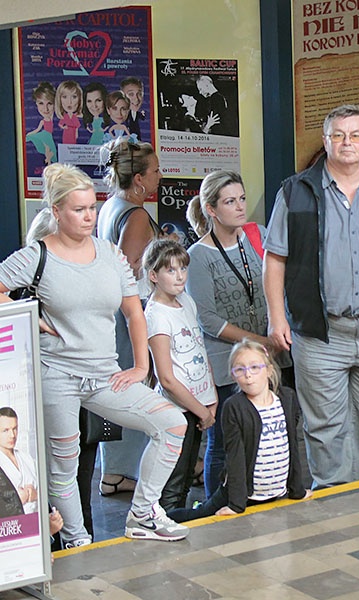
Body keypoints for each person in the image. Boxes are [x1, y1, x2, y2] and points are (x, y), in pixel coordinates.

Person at [0, 163, 189, 545]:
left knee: (172, 424)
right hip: (57, 376)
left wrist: (140, 366)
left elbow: (134, 311)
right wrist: (29, 317)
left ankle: (142, 516)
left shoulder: (109, 255)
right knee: (64, 467)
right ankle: (76, 540)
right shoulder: (36, 256)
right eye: (78, 209)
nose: (88, 216)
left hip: (105, 373)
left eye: (92, 208)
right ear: (56, 212)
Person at [264, 104, 359, 488]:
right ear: (325, 141)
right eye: (338, 135)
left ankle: (357, 491)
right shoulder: (296, 191)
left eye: (355, 135)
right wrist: (276, 316)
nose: (346, 142)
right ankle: (335, 500)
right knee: (325, 427)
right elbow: (275, 258)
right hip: (321, 333)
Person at [187, 170, 279, 497]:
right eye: (230, 201)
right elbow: (207, 319)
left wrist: (275, 334)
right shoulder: (198, 256)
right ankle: (217, 502)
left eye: (241, 199)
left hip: (269, 354)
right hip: (228, 360)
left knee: (270, 430)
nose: (240, 207)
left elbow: (275, 283)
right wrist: (257, 342)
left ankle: (261, 491)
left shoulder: (257, 235)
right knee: (224, 440)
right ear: (211, 209)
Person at [168, 340, 309, 522]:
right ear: (233, 376)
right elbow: (235, 457)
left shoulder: (287, 398)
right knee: (199, 516)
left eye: (254, 368)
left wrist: (297, 489)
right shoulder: (234, 407)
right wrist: (236, 504)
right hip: (240, 494)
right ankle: (158, 518)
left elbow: (291, 447)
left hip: (273, 492)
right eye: (240, 370)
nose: (248, 375)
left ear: (269, 370)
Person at [95, 137, 164, 500]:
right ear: (138, 179)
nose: (159, 176)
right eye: (154, 171)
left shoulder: (110, 206)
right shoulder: (135, 215)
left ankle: (114, 472)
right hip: (130, 315)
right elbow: (129, 270)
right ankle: (121, 471)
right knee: (134, 389)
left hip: (114, 317)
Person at [142, 240, 217, 512]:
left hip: (199, 404)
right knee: (173, 481)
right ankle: (166, 523)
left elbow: (199, 347)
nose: (180, 276)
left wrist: (211, 397)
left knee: (186, 477)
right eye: (171, 270)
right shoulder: (155, 315)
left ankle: (181, 521)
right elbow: (168, 379)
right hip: (179, 410)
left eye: (183, 268)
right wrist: (201, 411)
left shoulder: (185, 301)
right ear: (153, 276)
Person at [0, 407, 38, 514]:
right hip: (10, 526)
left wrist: (36, 495)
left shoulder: (27, 458)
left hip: (36, 522)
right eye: (5, 431)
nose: (12, 435)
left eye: (14, 429)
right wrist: (15, 500)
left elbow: (44, 493)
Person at [26, 82, 57, 166]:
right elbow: (37, 129)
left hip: (49, 137)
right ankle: (49, 161)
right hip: (45, 136)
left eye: (49, 103)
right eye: (41, 103)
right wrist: (30, 135)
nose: (45, 109)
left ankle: (49, 160)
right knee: (48, 149)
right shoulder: (42, 121)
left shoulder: (58, 120)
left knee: (51, 151)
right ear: (36, 104)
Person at [55, 80, 83, 146]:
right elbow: (60, 124)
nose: (69, 102)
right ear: (59, 99)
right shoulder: (64, 116)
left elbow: (77, 127)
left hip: (73, 135)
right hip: (66, 134)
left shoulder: (75, 117)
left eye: (74, 97)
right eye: (64, 97)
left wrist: (76, 134)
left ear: (79, 100)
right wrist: (64, 127)